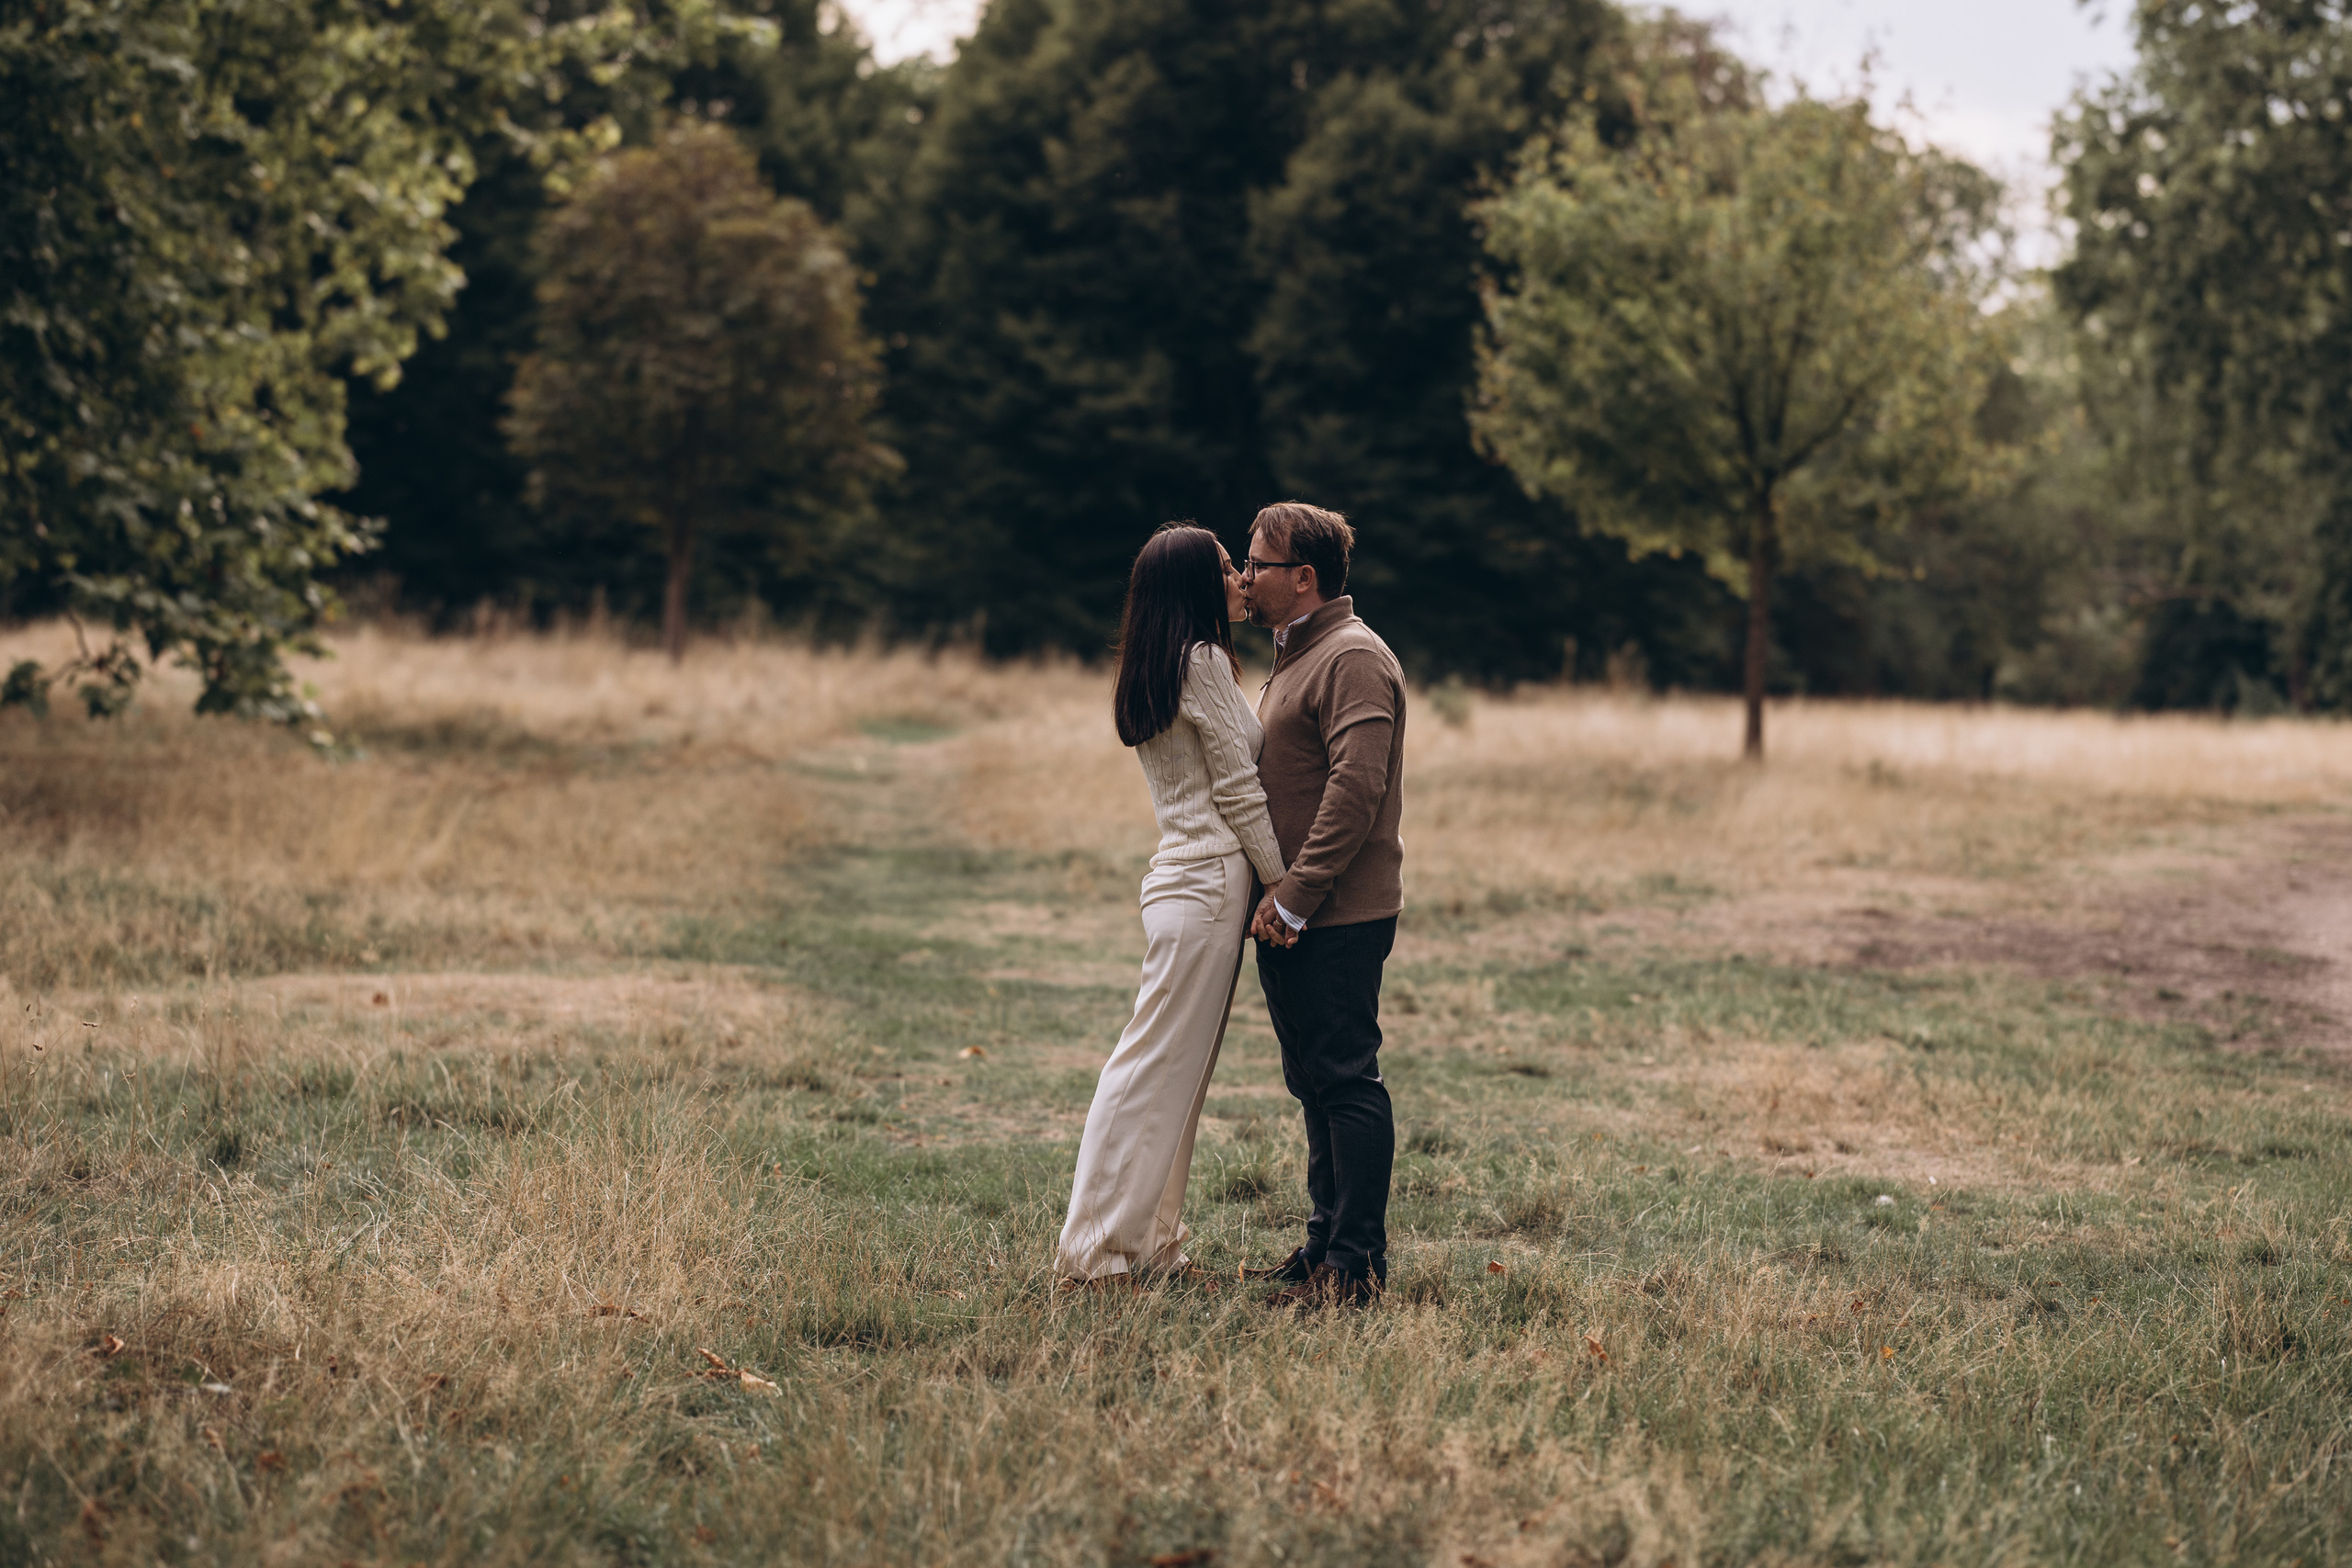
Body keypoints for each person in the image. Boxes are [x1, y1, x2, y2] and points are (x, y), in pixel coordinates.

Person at [1054, 524, 1287, 1284]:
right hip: (1212, 883)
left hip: (1181, 881)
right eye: (1226, 568)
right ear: (1196, 584)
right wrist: (1286, 882)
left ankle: (1152, 1243)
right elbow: (1237, 788)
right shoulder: (1206, 659)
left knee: (1173, 1077)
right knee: (1150, 1075)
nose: (1241, 579)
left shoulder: (1158, 662)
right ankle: (1095, 1254)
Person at [1235, 502, 1408, 1310]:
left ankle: (1357, 1267)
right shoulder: (1300, 652)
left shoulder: (1353, 657)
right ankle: (1323, 1246)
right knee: (1314, 1082)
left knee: (1345, 1080)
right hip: (1294, 912)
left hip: (1334, 913)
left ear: (1303, 577)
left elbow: (1357, 786)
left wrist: (1297, 897)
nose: (1245, 574)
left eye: (1258, 563)